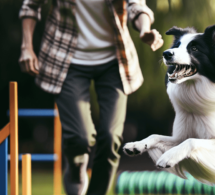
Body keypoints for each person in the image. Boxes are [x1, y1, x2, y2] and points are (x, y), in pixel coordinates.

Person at [18, 0, 163, 194]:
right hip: (67, 61)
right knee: (80, 138)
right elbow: (31, 5)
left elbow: (136, 5)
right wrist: (26, 46)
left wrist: (145, 29)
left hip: (114, 61)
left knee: (111, 137)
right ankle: (76, 168)